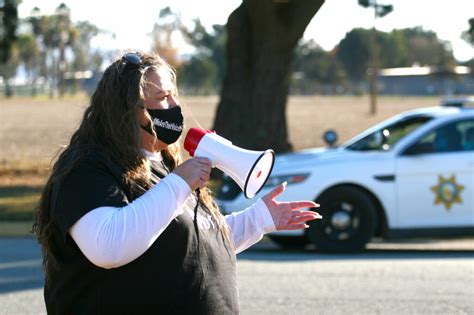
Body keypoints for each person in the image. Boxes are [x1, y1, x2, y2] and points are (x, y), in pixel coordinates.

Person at [33, 51, 321, 314]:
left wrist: (260, 219)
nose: (173, 106)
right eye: (161, 98)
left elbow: (192, 246)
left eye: (173, 96)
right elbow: (109, 246)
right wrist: (180, 183)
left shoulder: (164, 165)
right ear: (125, 110)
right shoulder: (87, 169)